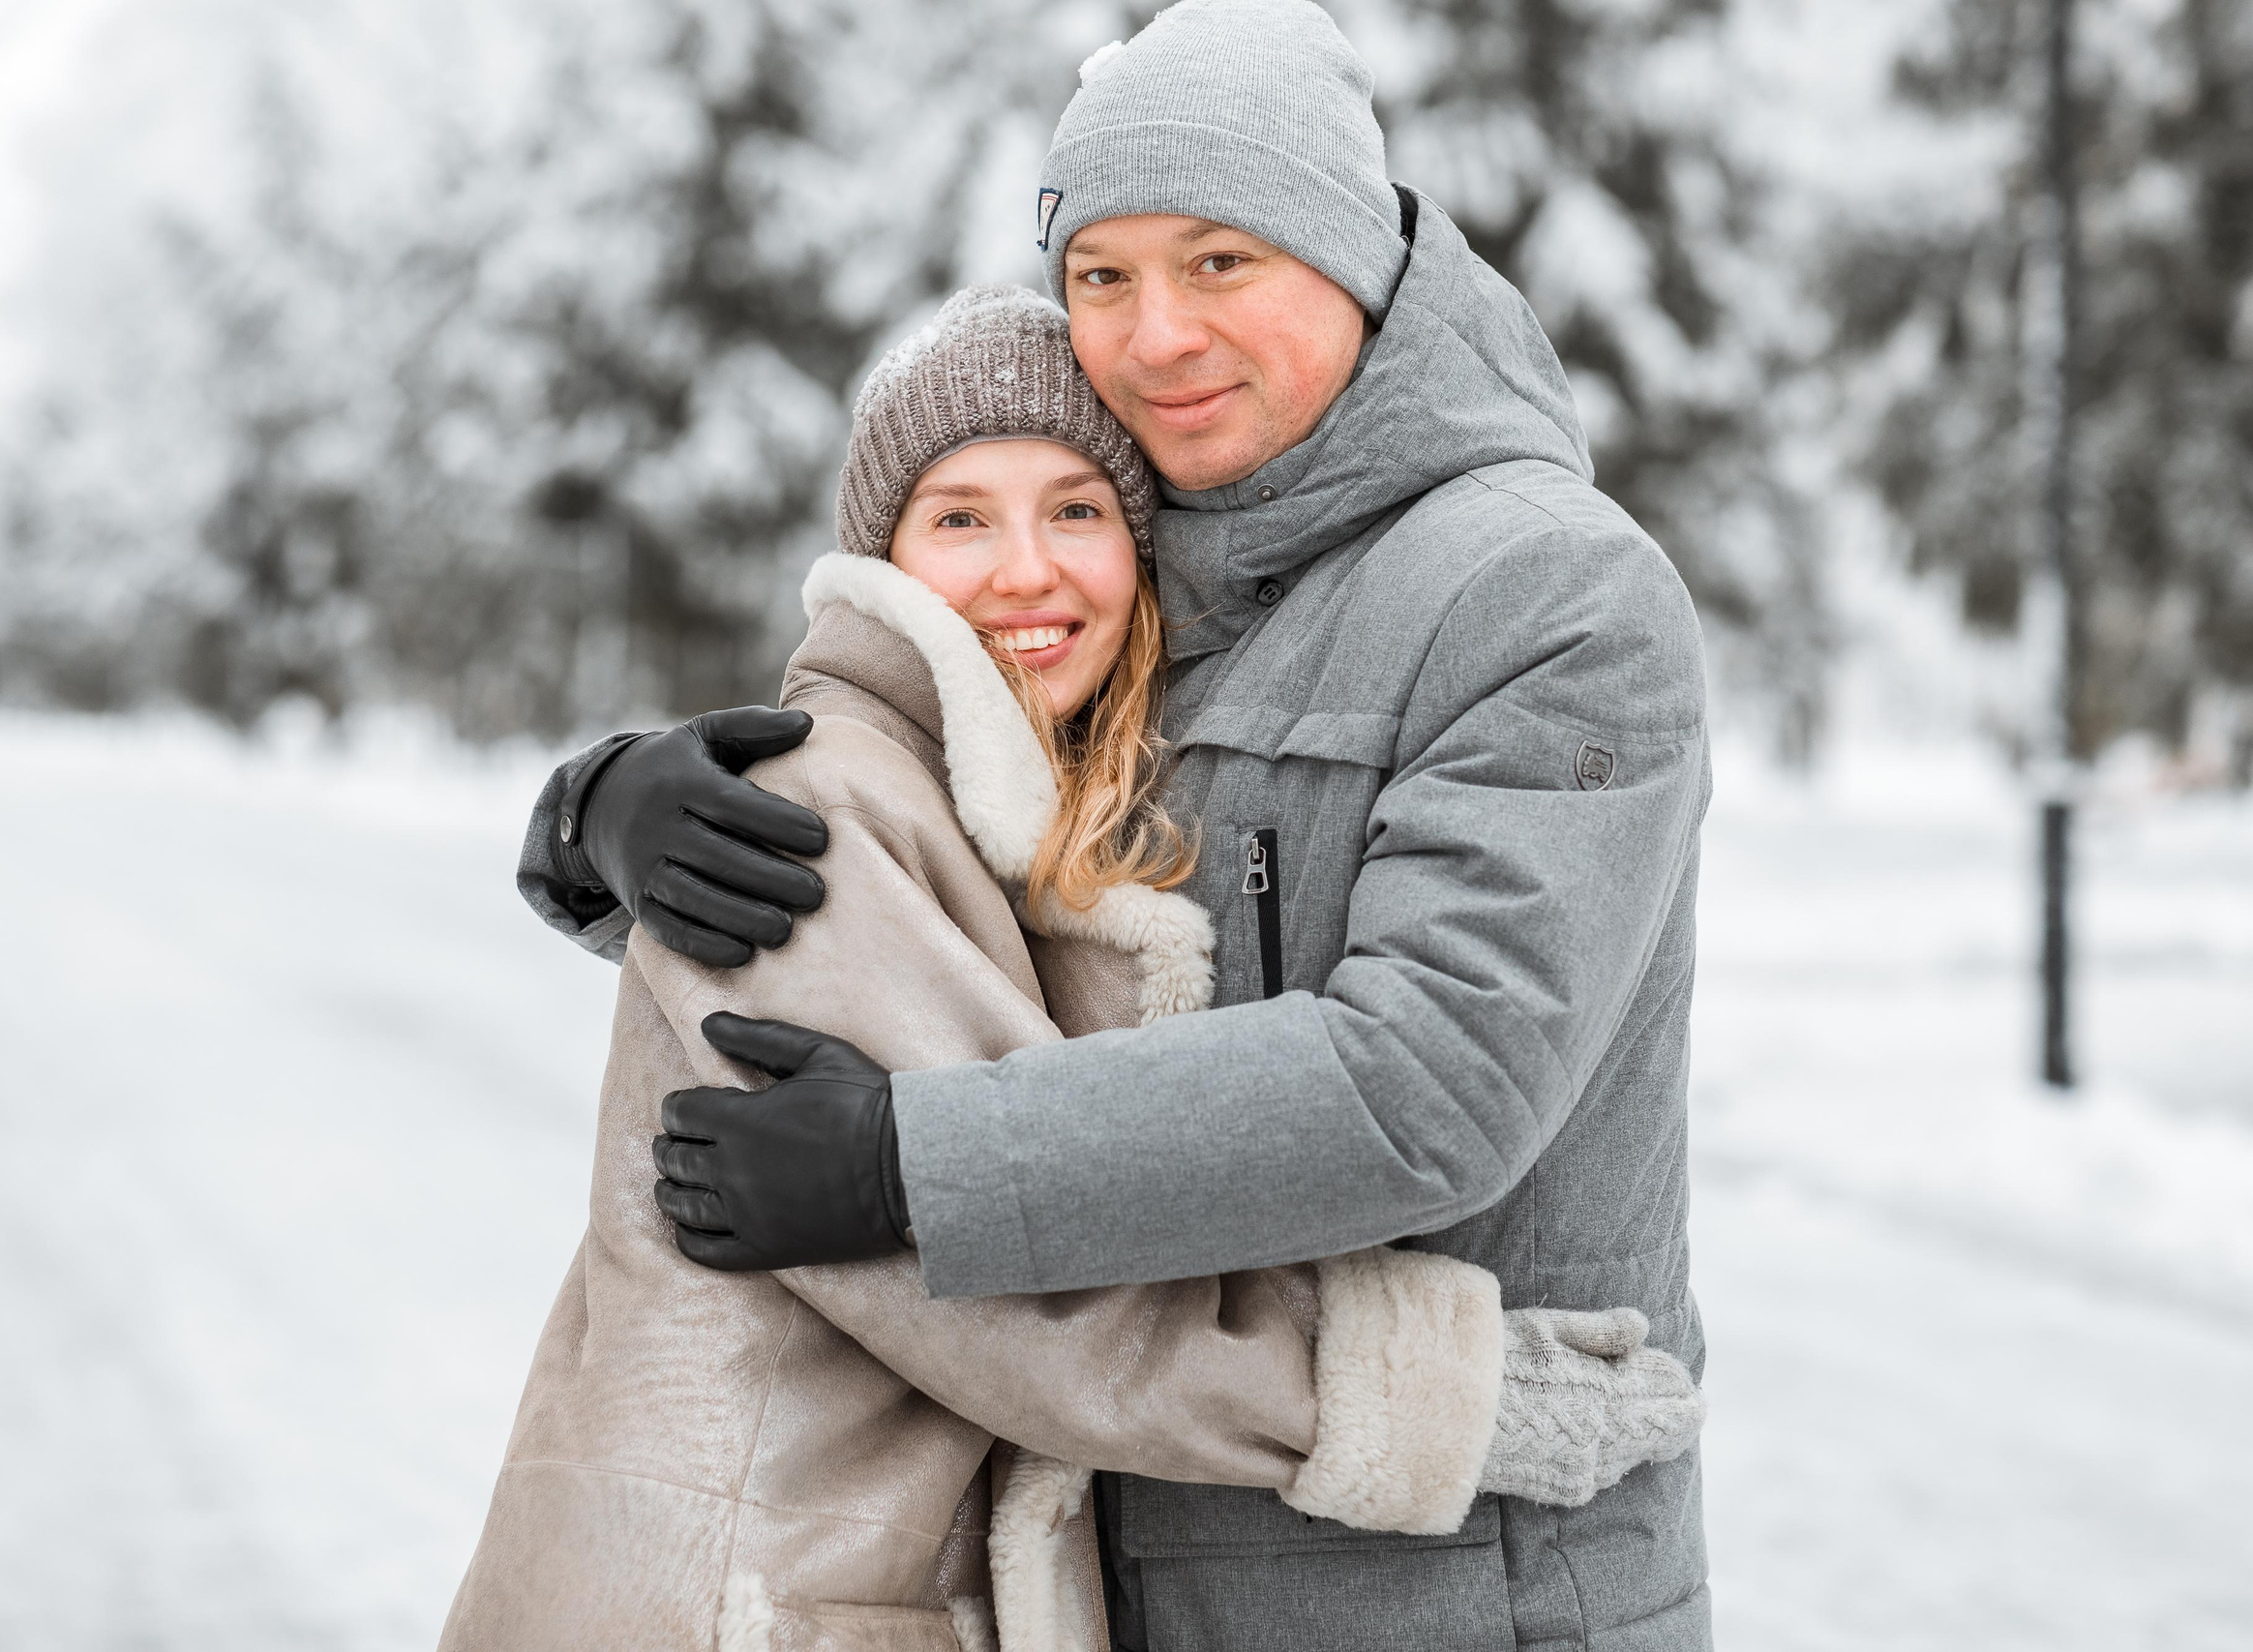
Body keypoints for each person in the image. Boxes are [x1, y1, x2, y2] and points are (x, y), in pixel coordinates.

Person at [515, 2, 1718, 1646]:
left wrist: (910, 1162)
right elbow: (926, 810)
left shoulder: (1546, 592)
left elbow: (1432, 1084)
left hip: (1449, 1590)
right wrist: (611, 812)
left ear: (1356, 258)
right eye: (1103, 276)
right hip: (1137, 1571)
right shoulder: (1156, 573)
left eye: (1220, 260)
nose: (1156, 336)